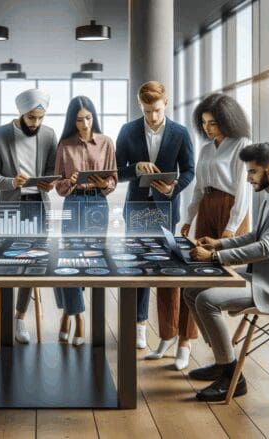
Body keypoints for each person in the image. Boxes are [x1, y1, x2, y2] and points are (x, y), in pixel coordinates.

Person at [183, 142, 269, 402]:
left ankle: (233, 377)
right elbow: (255, 235)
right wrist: (219, 243)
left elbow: (264, 248)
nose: (248, 179)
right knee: (191, 290)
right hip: (262, 277)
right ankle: (223, 360)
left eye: (252, 173)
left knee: (207, 301)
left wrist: (216, 256)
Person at [115, 81, 195, 367]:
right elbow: (117, 172)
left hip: (165, 209)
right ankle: (139, 326)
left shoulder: (181, 133)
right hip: (136, 208)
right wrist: (135, 168)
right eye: (147, 111)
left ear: (166, 104)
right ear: (140, 106)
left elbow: (189, 170)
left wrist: (173, 190)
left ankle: (169, 332)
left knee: (162, 269)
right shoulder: (127, 131)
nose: (152, 117)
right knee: (136, 267)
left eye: (157, 111)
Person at [0, 89, 58, 343]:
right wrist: (11, 182)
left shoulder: (49, 134)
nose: (36, 123)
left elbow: (52, 168)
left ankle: (19, 317)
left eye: (40, 118)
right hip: (11, 205)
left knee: (32, 263)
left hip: (38, 205)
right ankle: (6, 317)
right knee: (7, 262)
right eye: (31, 118)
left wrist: (49, 182)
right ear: (20, 112)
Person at [54, 96, 117, 346]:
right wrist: (70, 181)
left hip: (98, 204)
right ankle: (78, 317)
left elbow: (113, 178)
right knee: (69, 259)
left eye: (88, 118)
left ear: (94, 117)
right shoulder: (64, 145)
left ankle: (68, 313)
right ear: (73, 121)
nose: (85, 124)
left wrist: (106, 184)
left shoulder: (106, 142)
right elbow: (58, 186)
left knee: (90, 259)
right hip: (73, 202)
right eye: (79, 120)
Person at [182, 92, 252, 241]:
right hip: (206, 206)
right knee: (201, 255)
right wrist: (188, 219)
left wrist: (232, 226)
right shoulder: (206, 149)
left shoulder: (242, 144)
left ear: (226, 121)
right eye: (203, 122)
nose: (206, 128)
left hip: (230, 206)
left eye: (212, 123)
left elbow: (243, 188)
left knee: (228, 259)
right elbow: (199, 188)